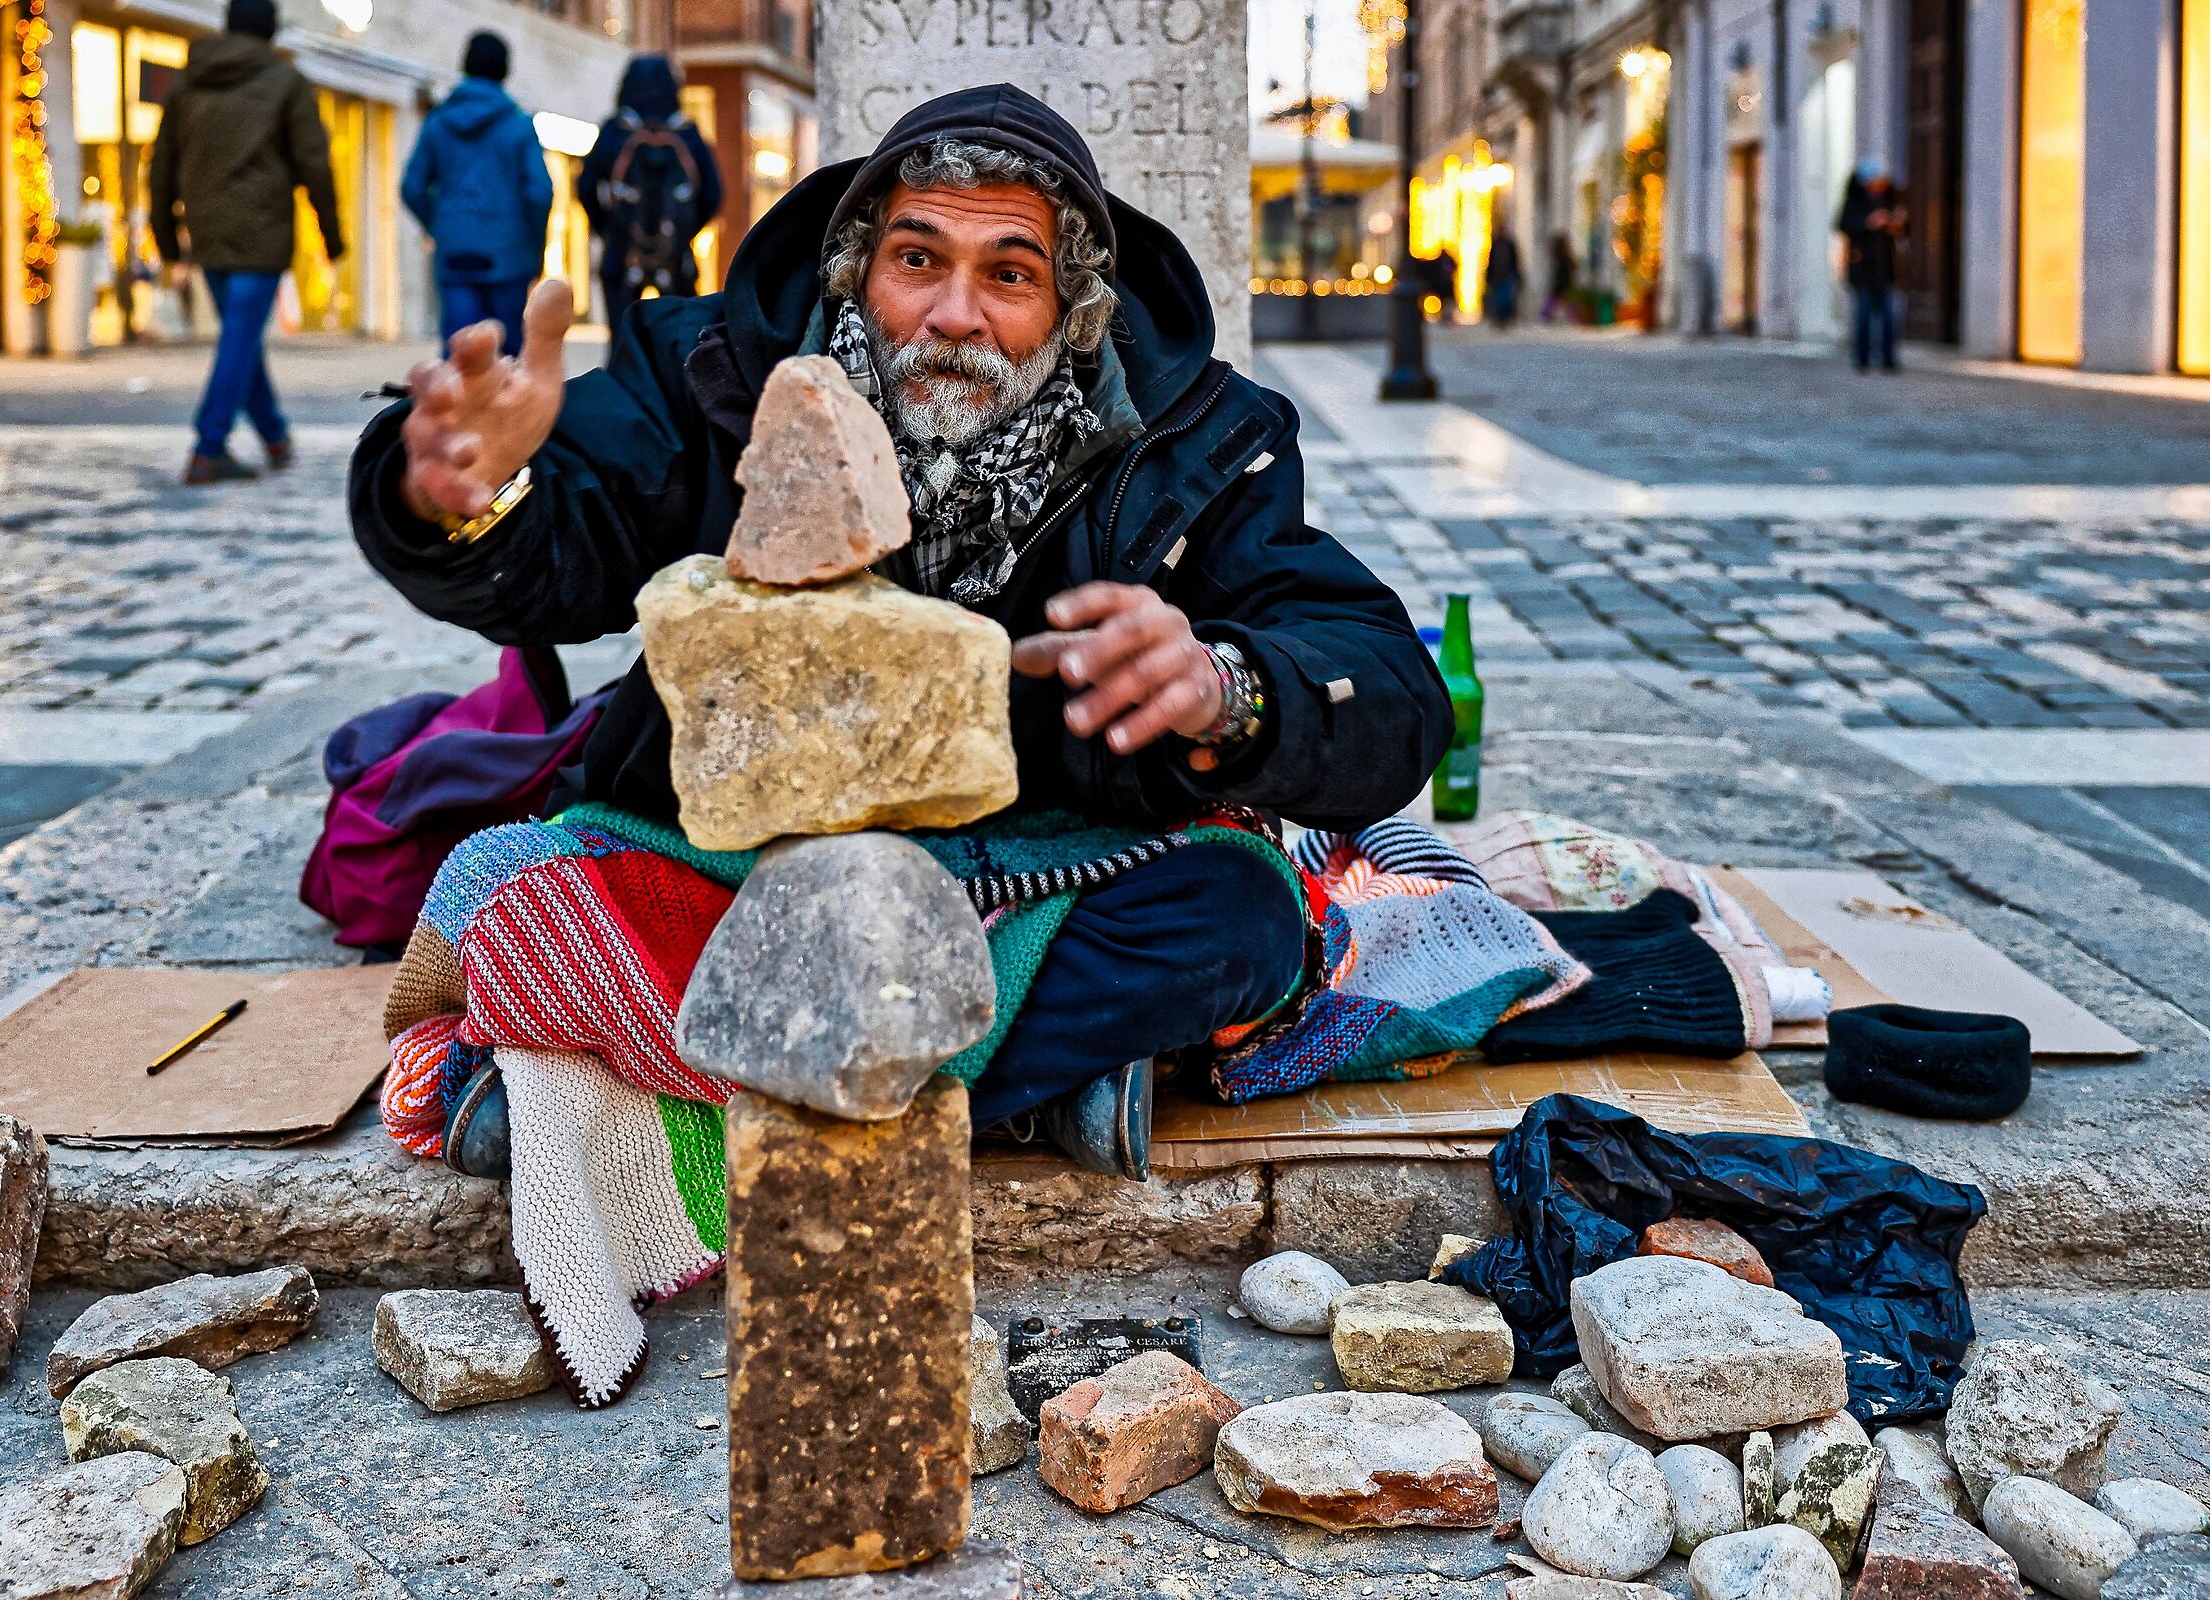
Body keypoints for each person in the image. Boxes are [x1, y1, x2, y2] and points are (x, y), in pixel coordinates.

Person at [349, 85, 1450, 1182]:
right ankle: (1020, 1083)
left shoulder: (1190, 438)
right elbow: (566, 528)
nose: (954, 313)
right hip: (740, 866)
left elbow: (1381, 680)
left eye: (1009, 276)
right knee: (510, 888)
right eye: (918, 260)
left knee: (1243, 918)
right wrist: (465, 496)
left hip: (1032, 871)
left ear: (1075, 310)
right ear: (856, 271)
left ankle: (665, 1113)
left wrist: (1226, 687)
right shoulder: (721, 374)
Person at [150, 0, 343, 485]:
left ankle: (275, 437)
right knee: (239, 338)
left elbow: (161, 169)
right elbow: (314, 164)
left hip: (209, 232)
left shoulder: (187, 83)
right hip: (263, 232)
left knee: (242, 338)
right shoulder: (285, 82)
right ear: (272, 31)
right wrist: (332, 234)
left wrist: (170, 244)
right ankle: (208, 447)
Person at [399, 31, 554, 358]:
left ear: (465, 65)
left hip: (455, 250)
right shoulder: (518, 125)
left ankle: (460, 409)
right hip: (509, 254)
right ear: (505, 70)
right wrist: (534, 243)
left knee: (460, 356)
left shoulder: (438, 122)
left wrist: (440, 225)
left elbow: (412, 187)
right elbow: (540, 192)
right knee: (510, 355)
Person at [578, 55, 722, 341]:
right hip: (677, 255)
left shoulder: (616, 130)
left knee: (621, 344)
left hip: (621, 252)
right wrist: (686, 231)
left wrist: (607, 227)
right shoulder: (686, 133)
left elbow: (585, 187)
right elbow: (714, 193)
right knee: (682, 342)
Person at [1837, 160, 1908, 371]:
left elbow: (1904, 227)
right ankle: (1862, 358)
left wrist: (1895, 225)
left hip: (1885, 268)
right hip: (1862, 267)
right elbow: (1843, 225)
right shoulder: (1854, 202)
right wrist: (1869, 222)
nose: (1879, 184)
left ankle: (1888, 358)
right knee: (1864, 315)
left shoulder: (1891, 200)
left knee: (1888, 315)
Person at [1483, 231, 1523, 330]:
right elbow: (1491, 262)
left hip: (1506, 277)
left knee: (1506, 300)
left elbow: (1515, 261)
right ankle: (1500, 319)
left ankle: (1505, 319)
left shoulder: (1509, 245)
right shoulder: (1496, 245)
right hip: (1497, 278)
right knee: (1499, 300)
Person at [1542, 232, 1578, 323]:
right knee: (1567, 302)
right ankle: (1575, 317)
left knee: (1555, 301)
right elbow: (1573, 268)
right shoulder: (1565, 256)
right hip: (1565, 283)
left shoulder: (1560, 257)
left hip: (1561, 283)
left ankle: (1545, 316)